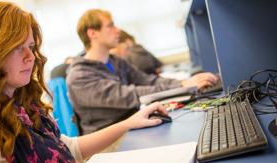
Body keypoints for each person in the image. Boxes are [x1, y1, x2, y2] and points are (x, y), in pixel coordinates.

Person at [0, 2, 167, 163]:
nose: (30, 57)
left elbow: (68, 148)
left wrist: (130, 123)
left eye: (30, 47)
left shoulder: (22, 104)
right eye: (16, 47)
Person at [67, 9, 219, 134]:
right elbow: (129, 95)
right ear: (92, 33)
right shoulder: (79, 76)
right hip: (108, 142)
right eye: (110, 26)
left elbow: (149, 80)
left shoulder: (115, 61)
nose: (117, 30)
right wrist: (184, 85)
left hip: (133, 126)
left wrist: (183, 83)